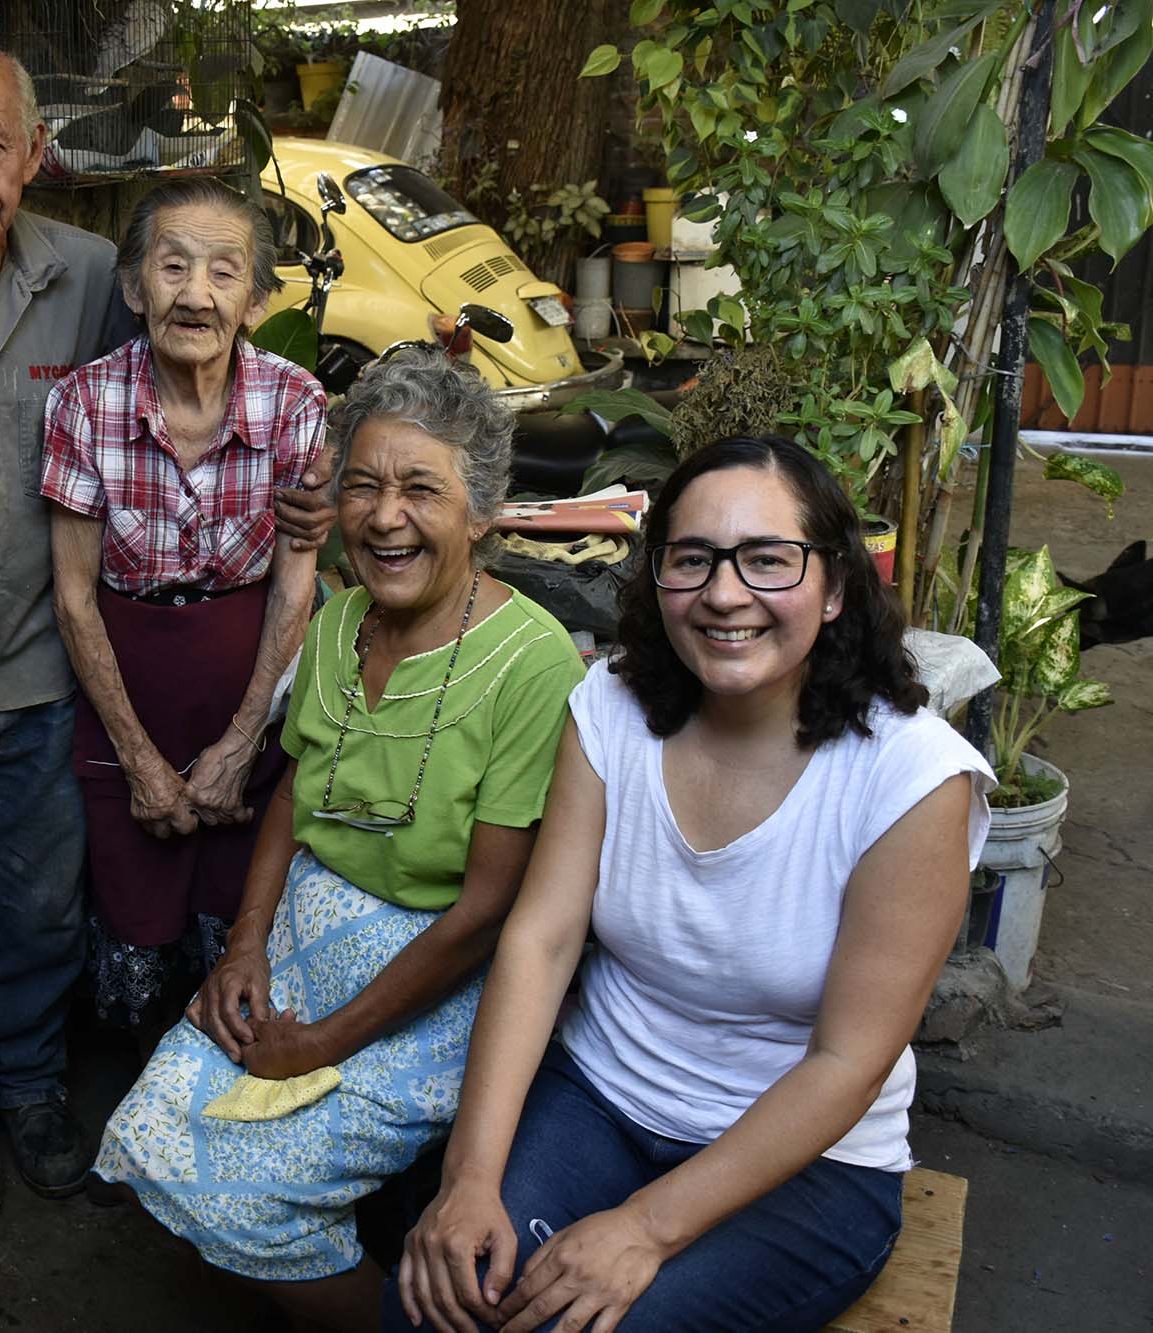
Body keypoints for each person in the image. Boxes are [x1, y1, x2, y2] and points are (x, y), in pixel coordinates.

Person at [0, 38, 335, 1228]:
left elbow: (205, 378)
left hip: (41, 673)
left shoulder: (99, 273)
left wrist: (311, 494)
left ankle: (34, 1091)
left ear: (36, 153)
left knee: (36, 913)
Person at [388, 435, 996, 1333]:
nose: (723, 592)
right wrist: (469, 1179)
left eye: (767, 560)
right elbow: (541, 938)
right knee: (442, 1299)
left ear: (833, 588)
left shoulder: (911, 779)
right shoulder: (613, 707)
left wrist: (644, 1227)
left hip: (809, 1165)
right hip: (602, 1096)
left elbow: (849, 1062)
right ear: (659, 578)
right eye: (693, 559)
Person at [93, 346, 586, 1333]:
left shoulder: (533, 660)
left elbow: (490, 907)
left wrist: (323, 1041)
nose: (383, 515)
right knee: (150, 1133)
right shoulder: (333, 618)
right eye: (361, 485)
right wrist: (242, 946)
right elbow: (291, 799)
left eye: (419, 489)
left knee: (249, 1191)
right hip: (310, 920)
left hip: (443, 965)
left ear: (480, 513)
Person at [43, 177, 327, 1037]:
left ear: (257, 299)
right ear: (134, 287)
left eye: (223, 272)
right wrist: (138, 758)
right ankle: (138, 1116)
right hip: (125, 696)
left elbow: (296, 581)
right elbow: (72, 594)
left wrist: (244, 742)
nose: (195, 294)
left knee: (236, 918)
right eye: (172, 267)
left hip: (254, 691)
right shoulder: (85, 403)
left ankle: (228, 1111)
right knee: (133, 925)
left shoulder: (294, 401)